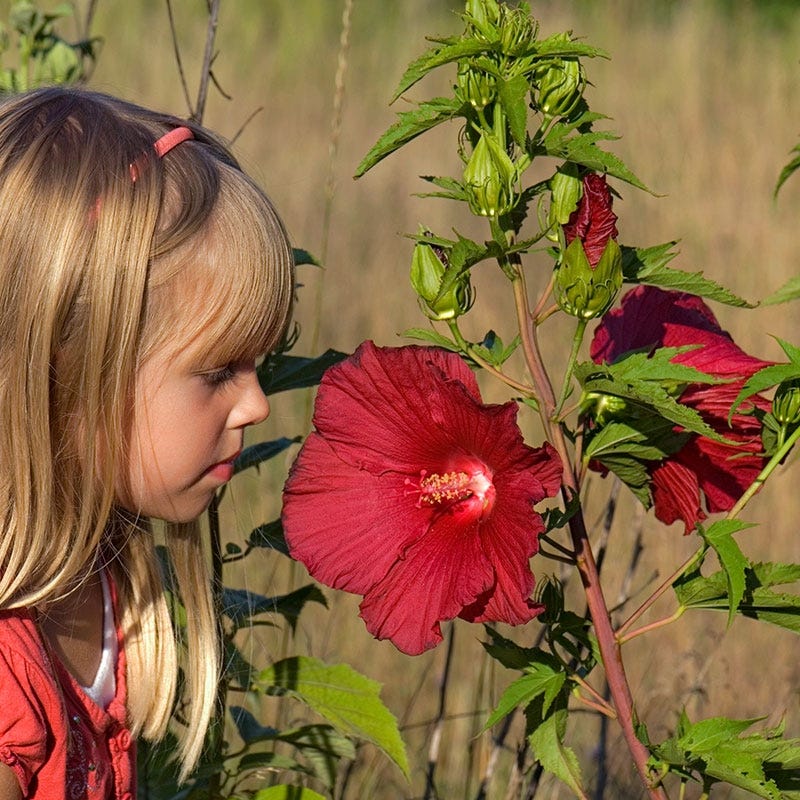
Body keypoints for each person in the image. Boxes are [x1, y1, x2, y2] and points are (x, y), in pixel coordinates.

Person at [0, 87, 294, 799]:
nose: (255, 404)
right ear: (68, 376)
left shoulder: (101, 578)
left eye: (260, 364)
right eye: (219, 370)